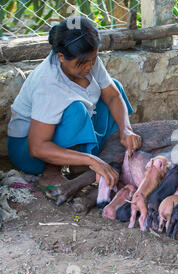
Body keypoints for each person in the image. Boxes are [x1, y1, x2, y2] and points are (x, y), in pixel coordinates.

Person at [7, 17, 141, 189]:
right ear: (61, 57)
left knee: (115, 87)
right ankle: (52, 173)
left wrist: (126, 129)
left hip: (64, 135)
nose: (89, 67)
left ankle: (91, 161)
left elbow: (113, 96)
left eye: (93, 60)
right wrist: (91, 160)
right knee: (75, 109)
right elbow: (37, 147)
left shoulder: (87, 59)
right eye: (83, 63)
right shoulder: (48, 83)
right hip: (29, 153)